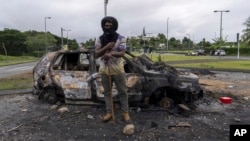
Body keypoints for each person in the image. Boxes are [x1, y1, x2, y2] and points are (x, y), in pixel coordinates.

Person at [95, 16, 131, 123]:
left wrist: (111, 54)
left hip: (118, 70)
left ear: (114, 26)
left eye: (110, 26)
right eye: (106, 26)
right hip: (105, 70)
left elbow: (122, 53)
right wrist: (106, 48)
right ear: (103, 26)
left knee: (122, 91)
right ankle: (109, 112)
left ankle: (125, 113)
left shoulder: (121, 38)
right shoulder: (99, 39)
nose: (108, 27)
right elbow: (96, 54)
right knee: (107, 92)